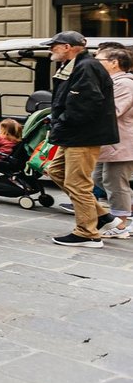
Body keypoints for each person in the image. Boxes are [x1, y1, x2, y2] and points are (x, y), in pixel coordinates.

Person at [43, 31, 119, 247]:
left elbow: (86, 103)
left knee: (78, 184)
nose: (51, 50)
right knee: (56, 171)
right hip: (72, 135)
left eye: (54, 46)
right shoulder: (74, 65)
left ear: (68, 47)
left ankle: (87, 233)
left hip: (81, 135)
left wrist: (62, 122)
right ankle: (103, 217)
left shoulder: (86, 66)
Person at [94, 45, 133, 239]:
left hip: (122, 143)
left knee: (115, 182)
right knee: (100, 178)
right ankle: (125, 214)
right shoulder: (113, 82)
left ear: (114, 63)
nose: (95, 63)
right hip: (110, 142)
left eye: (99, 60)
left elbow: (114, 111)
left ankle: (121, 225)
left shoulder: (124, 84)